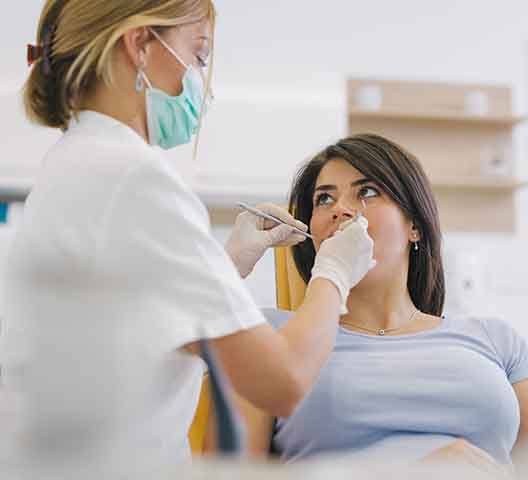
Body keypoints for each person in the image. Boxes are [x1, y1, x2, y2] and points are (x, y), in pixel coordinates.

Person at [0, 1, 377, 477]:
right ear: (139, 45)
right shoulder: (132, 179)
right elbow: (282, 381)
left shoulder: (75, 164)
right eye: (198, 57)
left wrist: (230, 261)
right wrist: (335, 271)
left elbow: (140, 316)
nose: (203, 85)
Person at [208, 134, 528, 476]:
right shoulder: (268, 335)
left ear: (415, 226)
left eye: (367, 192)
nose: (340, 210)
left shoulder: (495, 340)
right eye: (324, 199)